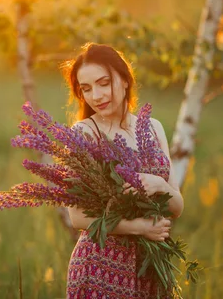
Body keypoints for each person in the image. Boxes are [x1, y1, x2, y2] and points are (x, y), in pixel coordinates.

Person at [60, 42, 184, 298]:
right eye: (87, 88)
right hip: (100, 269)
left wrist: (159, 185)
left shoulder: (153, 128)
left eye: (103, 83)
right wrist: (140, 227)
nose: (96, 95)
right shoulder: (84, 134)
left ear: (125, 79)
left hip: (150, 268)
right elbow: (78, 218)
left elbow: (177, 207)